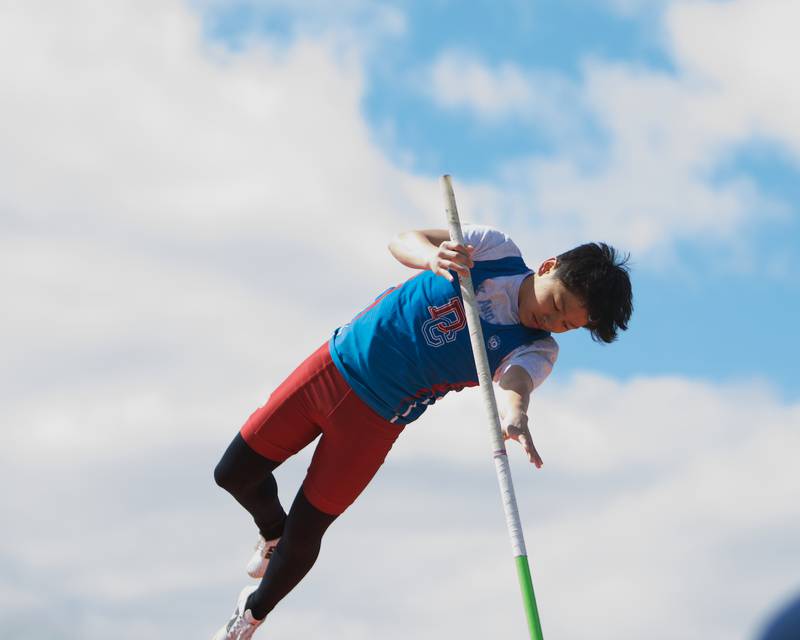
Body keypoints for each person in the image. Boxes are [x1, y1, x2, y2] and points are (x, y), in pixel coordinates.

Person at [211, 224, 633, 639]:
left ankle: (249, 617)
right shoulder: (494, 251)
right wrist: (431, 256)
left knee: (307, 532)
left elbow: (515, 383)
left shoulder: (537, 347)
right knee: (233, 473)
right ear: (547, 267)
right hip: (333, 368)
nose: (551, 319)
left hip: (375, 421)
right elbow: (403, 241)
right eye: (557, 303)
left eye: (567, 325)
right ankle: (271, 532)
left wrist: (516, 416)